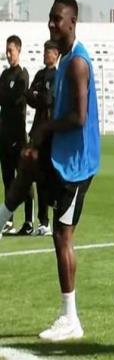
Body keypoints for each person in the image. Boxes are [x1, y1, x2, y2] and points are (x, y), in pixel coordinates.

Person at [1, 0, 100, 341]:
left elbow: (79, 117)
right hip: (62, 156)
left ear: (72, 22)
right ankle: (3, 216)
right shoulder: (65, 60)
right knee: (28, 159)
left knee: (62, 235)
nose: (51, 24)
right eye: (50, 17)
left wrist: (45, 129)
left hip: (78, 166)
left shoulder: (77, 64)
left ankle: (70, 318)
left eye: (57, 18)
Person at [0, 35, 34, 235]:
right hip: (3, 135)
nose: (8, 54)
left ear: (18, 51)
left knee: (24, 178)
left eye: (11, 50)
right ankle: (9, 220)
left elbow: (15, 98)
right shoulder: (4, 75)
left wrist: (6, 96)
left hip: (18, 136)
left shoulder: (23, 74)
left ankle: (29, 221)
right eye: (7, 50)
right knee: (7, 179)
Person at [25, 40, 59, 236]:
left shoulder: (57, 76)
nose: (45, 54)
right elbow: (29, 96)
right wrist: (38, 95)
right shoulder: (39, 74)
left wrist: (38, 95)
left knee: (51, 177)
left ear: (56, 54)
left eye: (49, 51)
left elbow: (48, 99)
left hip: (51, 133)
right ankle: (42, 221)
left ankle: (53, 220)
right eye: (45, 51)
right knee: (39, 177)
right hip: (37, 131)